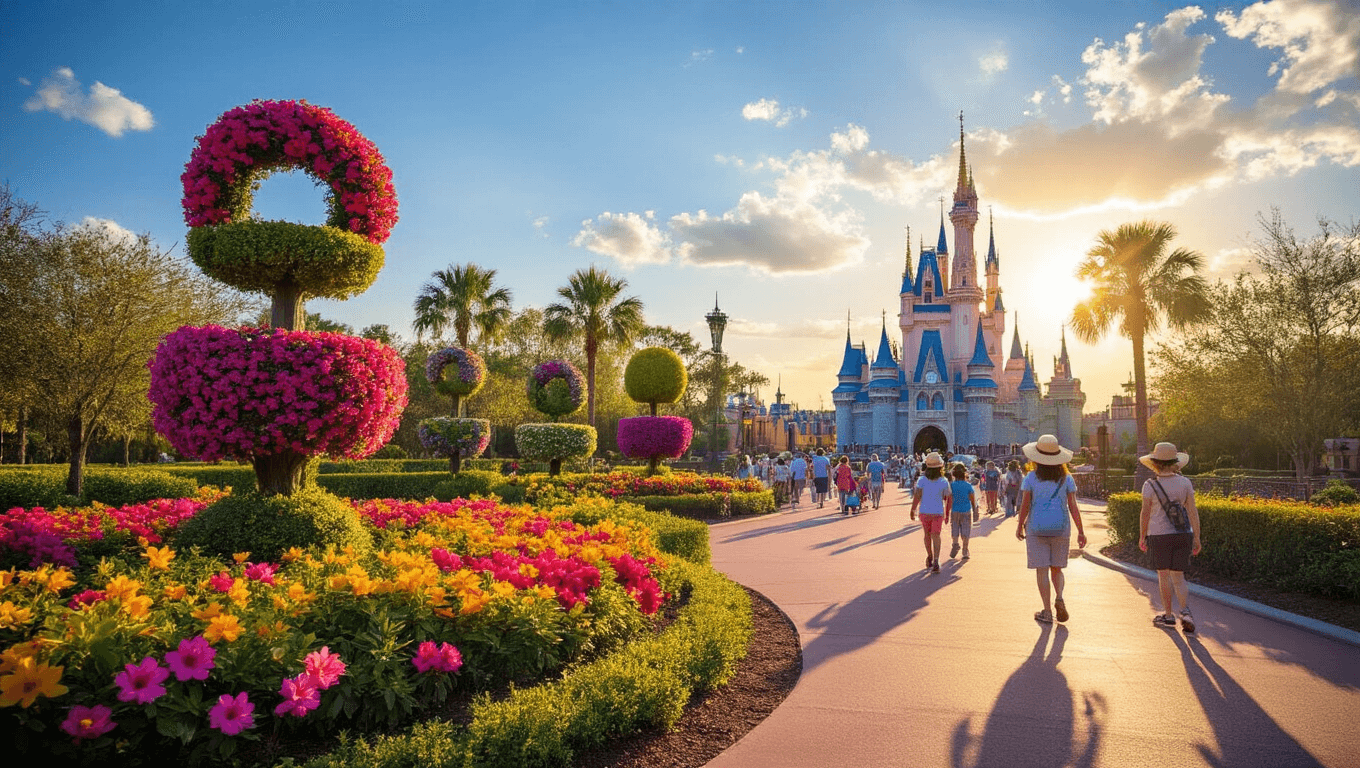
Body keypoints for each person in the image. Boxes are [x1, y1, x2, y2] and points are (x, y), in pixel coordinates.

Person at [1015, 435, 1087, 624]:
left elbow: (1025, 505)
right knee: (1057, 569)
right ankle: (1060, 597)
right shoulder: (1067, 479)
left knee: (1042, 570)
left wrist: (1019, 525)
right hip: (1061, 528)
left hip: (1036, 528)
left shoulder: (1031, 478)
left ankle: (1047, 611)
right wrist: (1081, 530)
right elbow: (1073, 506)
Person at [1138, 442, 1202, 633]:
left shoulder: (1149, 485)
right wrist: (1197, 537)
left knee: (1163, 576)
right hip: (1183, 534)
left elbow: (1145, 513)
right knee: (1179, 577)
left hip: (1158, 535)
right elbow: (1192, 511)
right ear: (1175, 462)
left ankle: (1167, 616)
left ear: (1155, 464)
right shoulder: (1185, 483)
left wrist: (1142, 536)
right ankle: (1186, 611)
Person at [910, 452, 951, 572]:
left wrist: (913, 510)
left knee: (927, 535)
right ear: (940, 467)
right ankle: (937, 560)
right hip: (938, 512)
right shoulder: (944, 481)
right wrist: (947, 513)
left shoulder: (922, 480)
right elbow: (949, 498)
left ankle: (930, 556)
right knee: (936, 535)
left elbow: (917, 495)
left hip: (924, 512)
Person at [948, 462, 979, 560]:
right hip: (966, 511)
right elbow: (972, 499)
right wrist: (975, 510)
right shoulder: (968, 485)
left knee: (955, 528)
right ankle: (965, 550)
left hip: (955, 511)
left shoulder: (951, 485)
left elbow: (949, 499)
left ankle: (955, 543)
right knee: (966, 531)